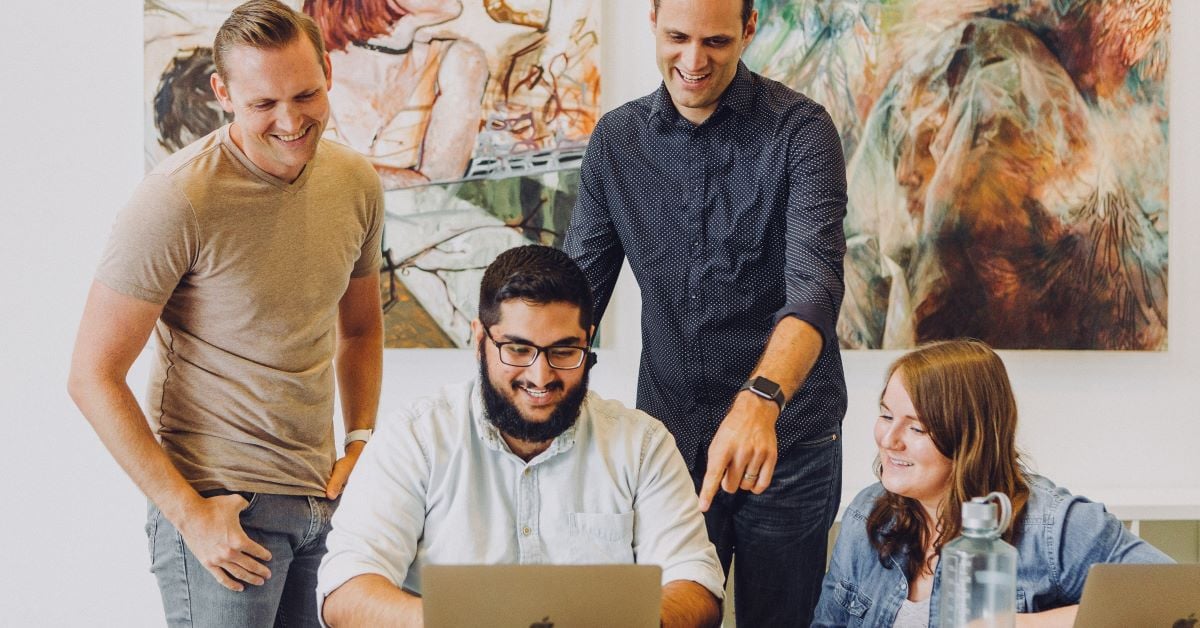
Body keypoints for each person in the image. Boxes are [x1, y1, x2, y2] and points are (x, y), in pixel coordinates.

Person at [66, 1, 384, 625]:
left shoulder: (355, 181)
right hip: (222, 511)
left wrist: (360, 440)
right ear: (222, 92)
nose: (291, 121)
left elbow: (362, 326)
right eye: (264, 104)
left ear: (327, 70)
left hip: (320, 501)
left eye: (306, 94)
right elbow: (90, 375)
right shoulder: (176, 198)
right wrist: (188, 513)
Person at [563, 0, 848, 624]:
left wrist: (761, 399)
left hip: (788, 435)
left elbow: (815, 287)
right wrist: (515, 343)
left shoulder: (800, 131)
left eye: (716, 41)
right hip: (669, 442)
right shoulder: (617, 140)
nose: (693, 61)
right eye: (677, 38)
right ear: (653, 22)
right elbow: (577, 291)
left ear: (749, 29)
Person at [317, 245, 724, 627]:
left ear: (588, 340)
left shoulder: (642, 445)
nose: (540, 376)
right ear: (480, 341)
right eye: (517, 349)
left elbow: (697, 584)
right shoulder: (416, 438)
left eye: (564, 351)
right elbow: (345, 588)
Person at [813, 339, 1173, 627]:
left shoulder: (1052, 527)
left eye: (916, 427)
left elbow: (1173, 602)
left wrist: (1015, 624)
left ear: (970, 437)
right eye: (886, 415)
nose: (889, 439)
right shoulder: (868, 514)